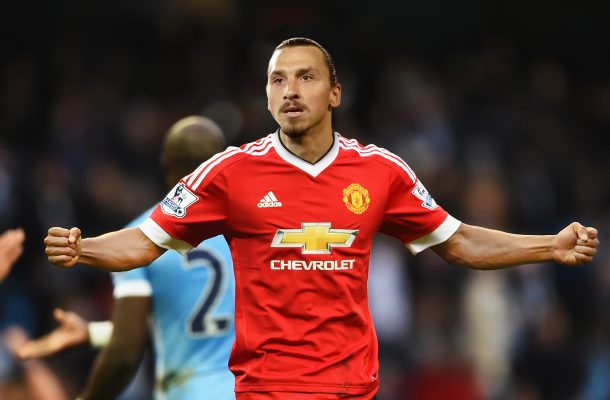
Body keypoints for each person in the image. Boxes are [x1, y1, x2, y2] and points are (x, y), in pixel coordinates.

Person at [43, 37, 600, 400]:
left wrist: (548, 246)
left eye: (305, 77)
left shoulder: (380, 171)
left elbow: (460, 242)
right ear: (266, 96)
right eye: (278, 80)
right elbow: (142, 243)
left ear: (335, 92)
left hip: (351, 388)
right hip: (267, 389)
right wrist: (82, 247)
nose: (290, 90)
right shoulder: (230, 173)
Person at [30, 116, 236, 400]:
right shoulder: (249, 230)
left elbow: (125, 353)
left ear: (165, 165)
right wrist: (93, 333)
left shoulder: (139, 236)